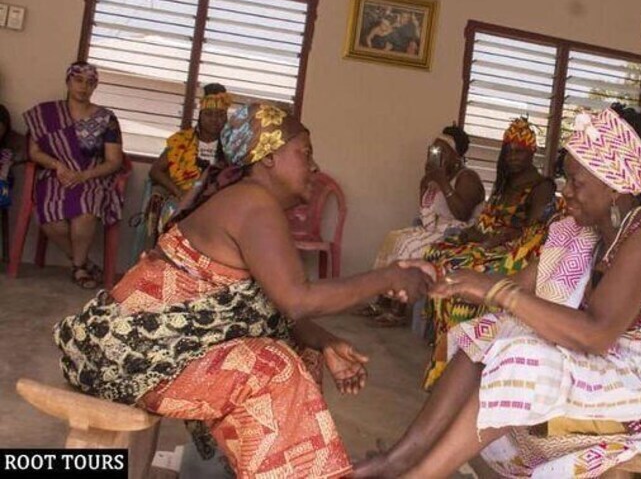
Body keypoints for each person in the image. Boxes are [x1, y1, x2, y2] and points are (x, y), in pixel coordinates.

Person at [54, 103, 433, 478]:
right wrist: (388, 277)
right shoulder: (253, 203)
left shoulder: (248, 202)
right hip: (131, 358)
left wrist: (325, 342)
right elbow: (296, 299)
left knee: (297, 354)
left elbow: (261, 306)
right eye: (305, 153)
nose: (314, 166)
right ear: (268, 157)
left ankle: (272, 469)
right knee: (272, 367)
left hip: (143, 350)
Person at [353, 105, 641, 479]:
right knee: (492, 331)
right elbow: (522, 286)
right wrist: (438, 280)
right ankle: (400, 460)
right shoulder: (584, 235)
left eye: (576, 182)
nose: (565, 193)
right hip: (608, 364)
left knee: (523, 355)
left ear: (614, 187)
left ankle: (422, 475)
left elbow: (595, 333)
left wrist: (496, 290)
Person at [422, 117, 556, 389]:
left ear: (532, 153)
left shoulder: (542, 186)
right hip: (487, 244)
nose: (513, 157)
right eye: (509, 150)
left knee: (459, 272)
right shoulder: (506, 184)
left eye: (519, 151)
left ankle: (461, 357)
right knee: (438, 254)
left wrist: (498, 239)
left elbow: (533, 231)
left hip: (514, 252)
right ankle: (442, 341)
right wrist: (473, 235)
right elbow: (488, 222)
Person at [365, 126, 485, 327]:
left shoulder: (467, 177)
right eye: (434, 150)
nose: (436, 155)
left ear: (455, 156)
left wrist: (442, 182)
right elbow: (425, 209)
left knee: (410, 247)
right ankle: (382, 299)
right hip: (434, 229)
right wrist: (427, 181)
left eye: (442, 151)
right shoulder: (439, 176)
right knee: (394, 238)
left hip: (456, 233)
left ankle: (398, 307)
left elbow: (462, 213)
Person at [24, 62, 124, 289]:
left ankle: (78, 268)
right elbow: (34, 152)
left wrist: (85, 175)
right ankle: (84, 263)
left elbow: (114, 161)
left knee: (86, 212)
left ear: (95, 86)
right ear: (68, 81)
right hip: (55, 175)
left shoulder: (106, 118)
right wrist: (57, 166)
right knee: (50, 219)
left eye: (90, 82)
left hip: (92, 176)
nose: (83, 87)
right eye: (78, 80)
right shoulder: (45, 114)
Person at [144, 83, 230, 245]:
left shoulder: (232, 145)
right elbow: (155, 171)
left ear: (226, 118)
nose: (214, 120)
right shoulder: (182, 140)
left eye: (220, 115)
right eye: (209, 114)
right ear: (200, 116)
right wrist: (179, 192)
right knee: (171, 211)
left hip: (217, 199)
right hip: (181, 195)